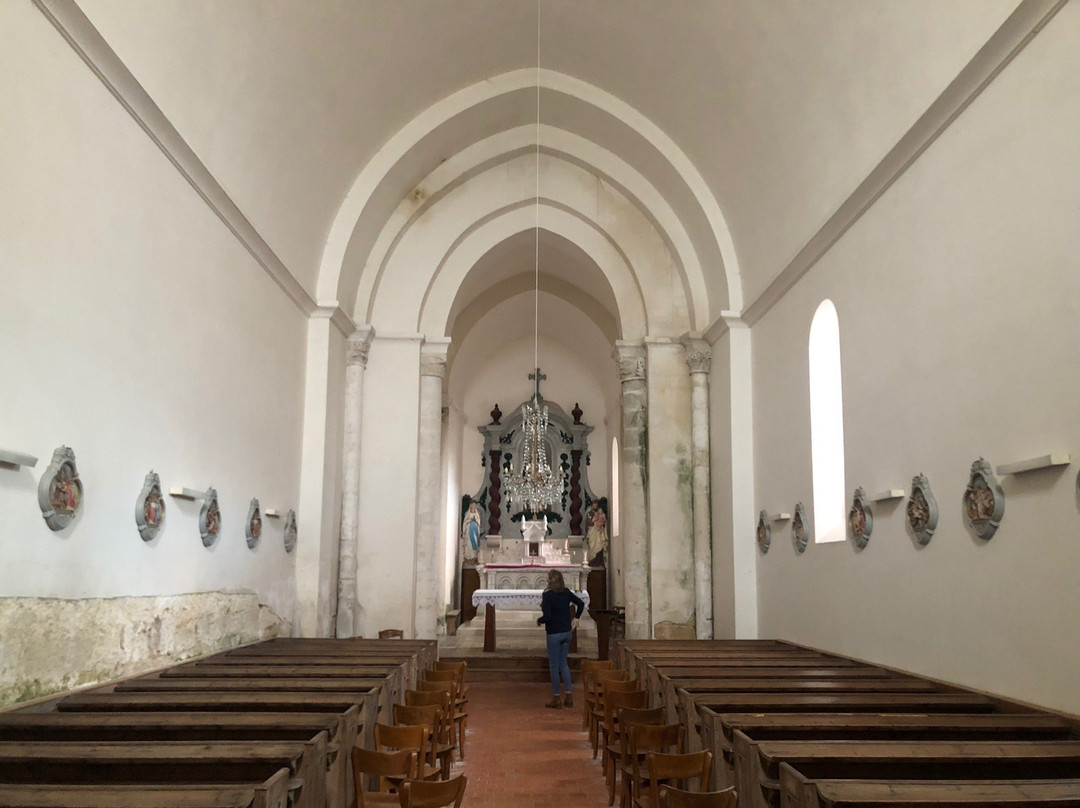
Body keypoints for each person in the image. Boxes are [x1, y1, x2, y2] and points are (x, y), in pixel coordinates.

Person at [537, 568, 585, 709]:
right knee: (564, 664)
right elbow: (581, 604)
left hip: (554, 634)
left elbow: (547, 617)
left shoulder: (548, 595)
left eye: (547, 577)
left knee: (554, 666)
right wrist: (576, 617)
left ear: (551, 580)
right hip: (566, 632)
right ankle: (569, 697)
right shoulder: (566, 592)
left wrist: (539, 620)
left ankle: (556, 698)